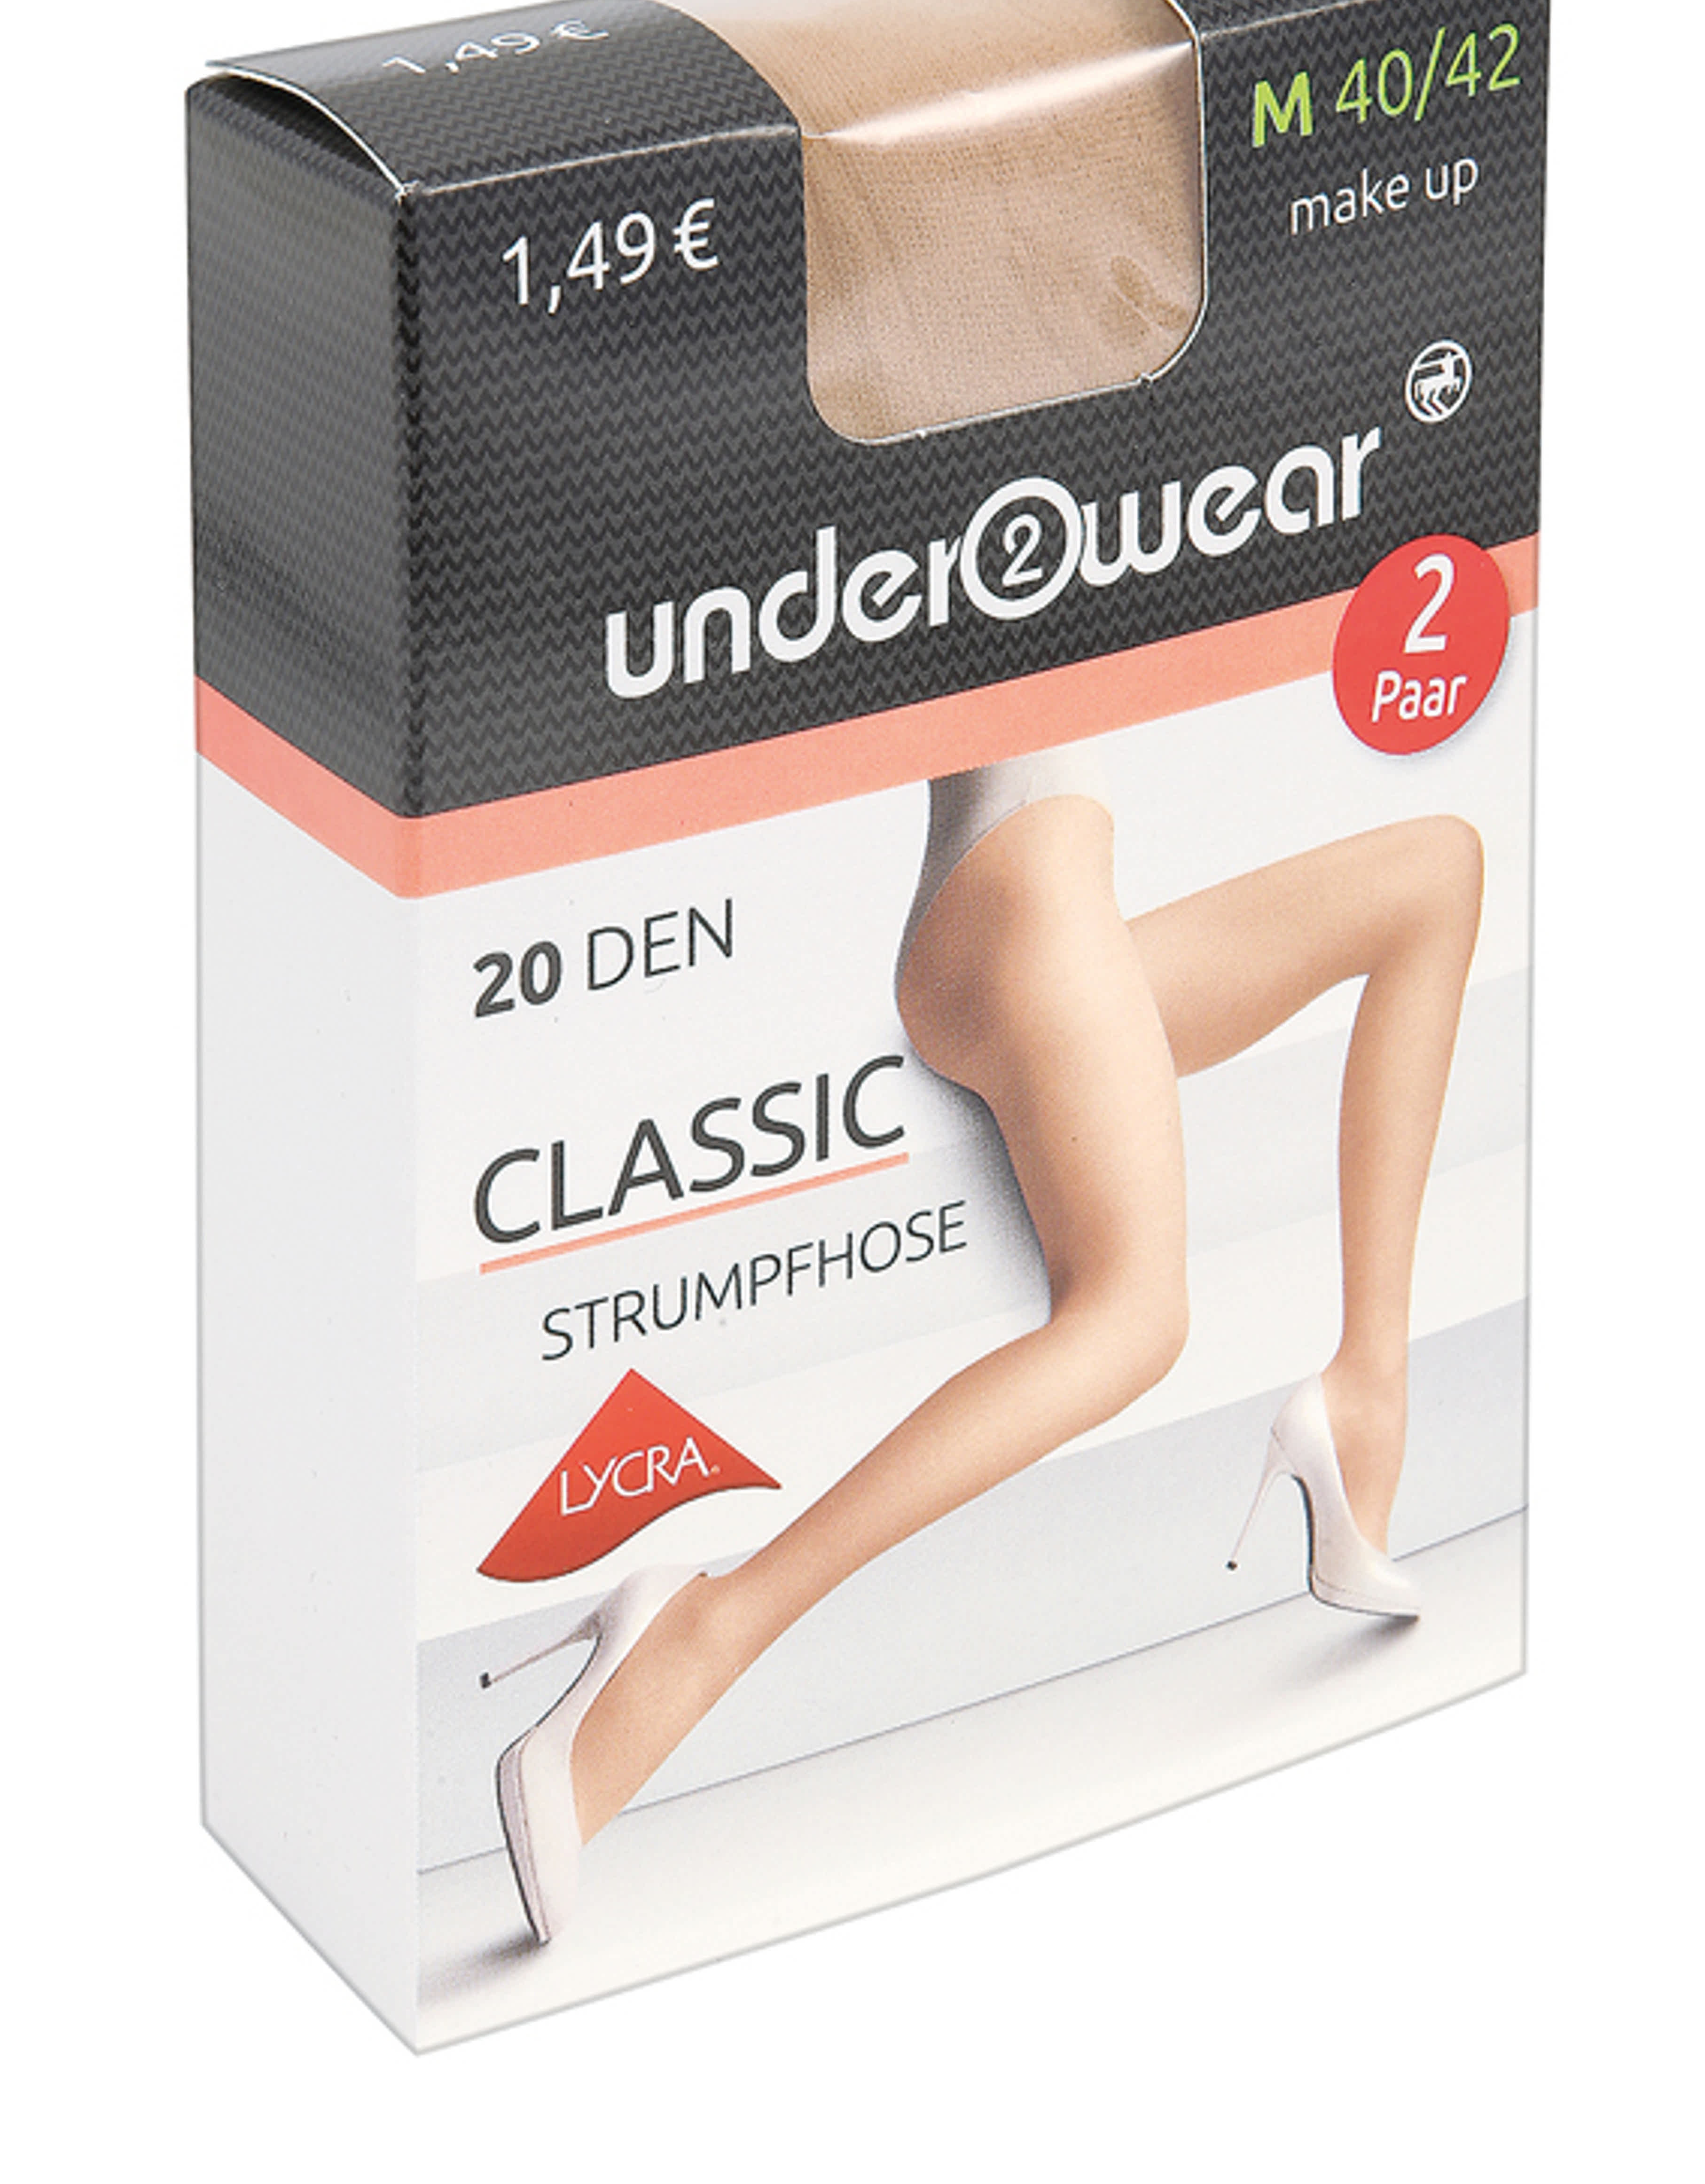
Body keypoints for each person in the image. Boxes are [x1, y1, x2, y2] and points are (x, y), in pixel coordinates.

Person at [486, 752, 1484, 1942]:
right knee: (1133, 1316)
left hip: (1041, 906)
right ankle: (702, 1629)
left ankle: (1364, 1402)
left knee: (1437, 872)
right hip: (1021, 900)